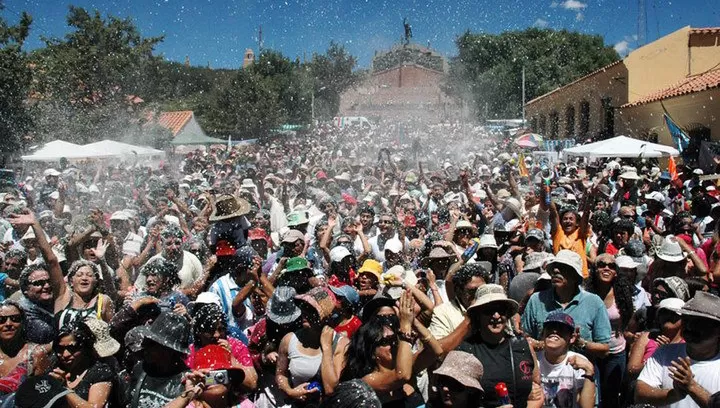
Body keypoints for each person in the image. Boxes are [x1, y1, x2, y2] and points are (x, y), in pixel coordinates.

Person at [439, 284, 544, 408]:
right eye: (489, 310)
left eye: (501, 310)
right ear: (478, 315)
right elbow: (454, 402)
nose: (496, 316)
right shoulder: (465, 350)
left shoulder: (523, 346)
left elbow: (536, 394)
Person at [521, 250, 611, 360]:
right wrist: (545, 344)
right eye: (555, 267)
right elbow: (525, 338)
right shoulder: (536, 300)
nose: (556, 270)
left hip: (581, 372)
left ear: (575, 276)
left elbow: (605, 349)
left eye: (563, 268)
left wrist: (581, 343)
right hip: (544, 372)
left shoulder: (594, 303)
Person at [636, 292, 720, 407]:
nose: (690, 327)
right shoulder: (665, 352)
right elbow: (640, 393)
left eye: (699, 323)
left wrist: (692, 387)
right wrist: (675, 395)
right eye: (686, 320)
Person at [276, 286, 348, 406]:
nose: (305, 312)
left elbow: (331, 389)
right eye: (303, 307)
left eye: (311, 309)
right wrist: (290, 391)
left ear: (326, 315)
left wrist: (326, 347)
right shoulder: (289, 340)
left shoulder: (341, 344)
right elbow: (280, 374)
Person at [584, 253, 635, 406]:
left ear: (616, 272)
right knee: (592, 396)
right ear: (594, 269)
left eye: (611, 266)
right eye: (601, 265)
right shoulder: (585, 294)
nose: (606, 268)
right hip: (592, 352)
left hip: (616, 353)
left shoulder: (623, 294)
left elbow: (628, 322)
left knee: (611, 397)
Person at [49, 319, 119, 407]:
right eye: (60, 349)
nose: (65, 354)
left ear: (86, 348)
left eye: (72, 348)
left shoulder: (100, 372)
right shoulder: (54, 368)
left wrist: (64, 388)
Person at [537, 312, 596, 408]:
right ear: (543, 334)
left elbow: (587, 406)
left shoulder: (580, 362)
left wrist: (589, 370)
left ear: (572, 338)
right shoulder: (534, 361)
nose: (554, 331)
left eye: (561, 328)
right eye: (550, 327)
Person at [0, 300, 49, 402]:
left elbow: (42, 397)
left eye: (15, 319)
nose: (8, 323)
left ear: (23, 323)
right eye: (1, 320)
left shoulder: (36, 354)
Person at [628, 298, 685, 379]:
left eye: (674, 314)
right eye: (664, 313)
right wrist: (657, 354)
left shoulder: (687, 343)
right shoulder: (646, 337)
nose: (668, 316)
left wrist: (669, 352)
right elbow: (631, 371)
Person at [55, 259, 115, 329]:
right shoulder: (63, 297)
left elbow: (112, 332)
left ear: (96, 281)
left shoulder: (103, 301)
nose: (84, 278)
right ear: (71, 281)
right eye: (79, 275)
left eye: (89, 275)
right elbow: (52, 263)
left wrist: (102, 260)